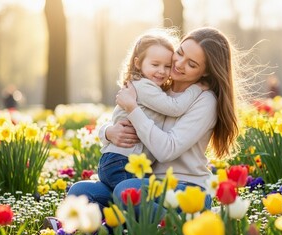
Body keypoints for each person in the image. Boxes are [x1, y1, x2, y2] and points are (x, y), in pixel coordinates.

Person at [67, 26, 249, 215]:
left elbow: (166, 150)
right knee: (80, 192)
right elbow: (119, 116)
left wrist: (133, 109)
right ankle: (123, 228)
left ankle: (185, 228)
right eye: (180, 53)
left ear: (205, 72)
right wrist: (107, 131)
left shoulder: (205, 100)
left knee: (126, 192)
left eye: (192, 64)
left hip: (187, 189)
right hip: (147, 185)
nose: (179, 64)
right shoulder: (160, 88)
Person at [97, 29, 207, 190]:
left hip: (118, 160)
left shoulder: (148, 88)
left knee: (123, 197)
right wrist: (197, 88)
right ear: (137, 63)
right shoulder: (145, 87)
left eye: (167, 66)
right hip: (124, 161)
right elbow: (175, 108)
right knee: (128, 197)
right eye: (155, 65)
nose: (162, 71)